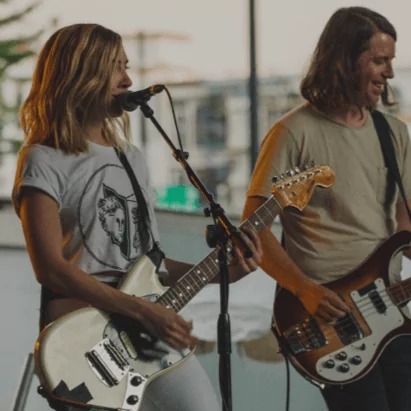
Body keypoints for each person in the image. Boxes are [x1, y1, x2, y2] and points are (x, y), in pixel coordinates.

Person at [12, 23, 263, 411]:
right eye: (115, 68)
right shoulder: (43, 158)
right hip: (84, 338)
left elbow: (151, 265)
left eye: (127, 67)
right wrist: (143, 310)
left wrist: (227, 270)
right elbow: (51, 269)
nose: (128, 80)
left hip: (146, 331)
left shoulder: (133, 157)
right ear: (80, 73)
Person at [242, 6, 411, 411]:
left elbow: (405, 221)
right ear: (345, 59)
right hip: (327, 318)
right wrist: (305, 289)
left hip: (389, 308)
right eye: (379, 60)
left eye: (391, 61)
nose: (389, 72)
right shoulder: (293, 132)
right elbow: (255, 228)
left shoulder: (394, 132)